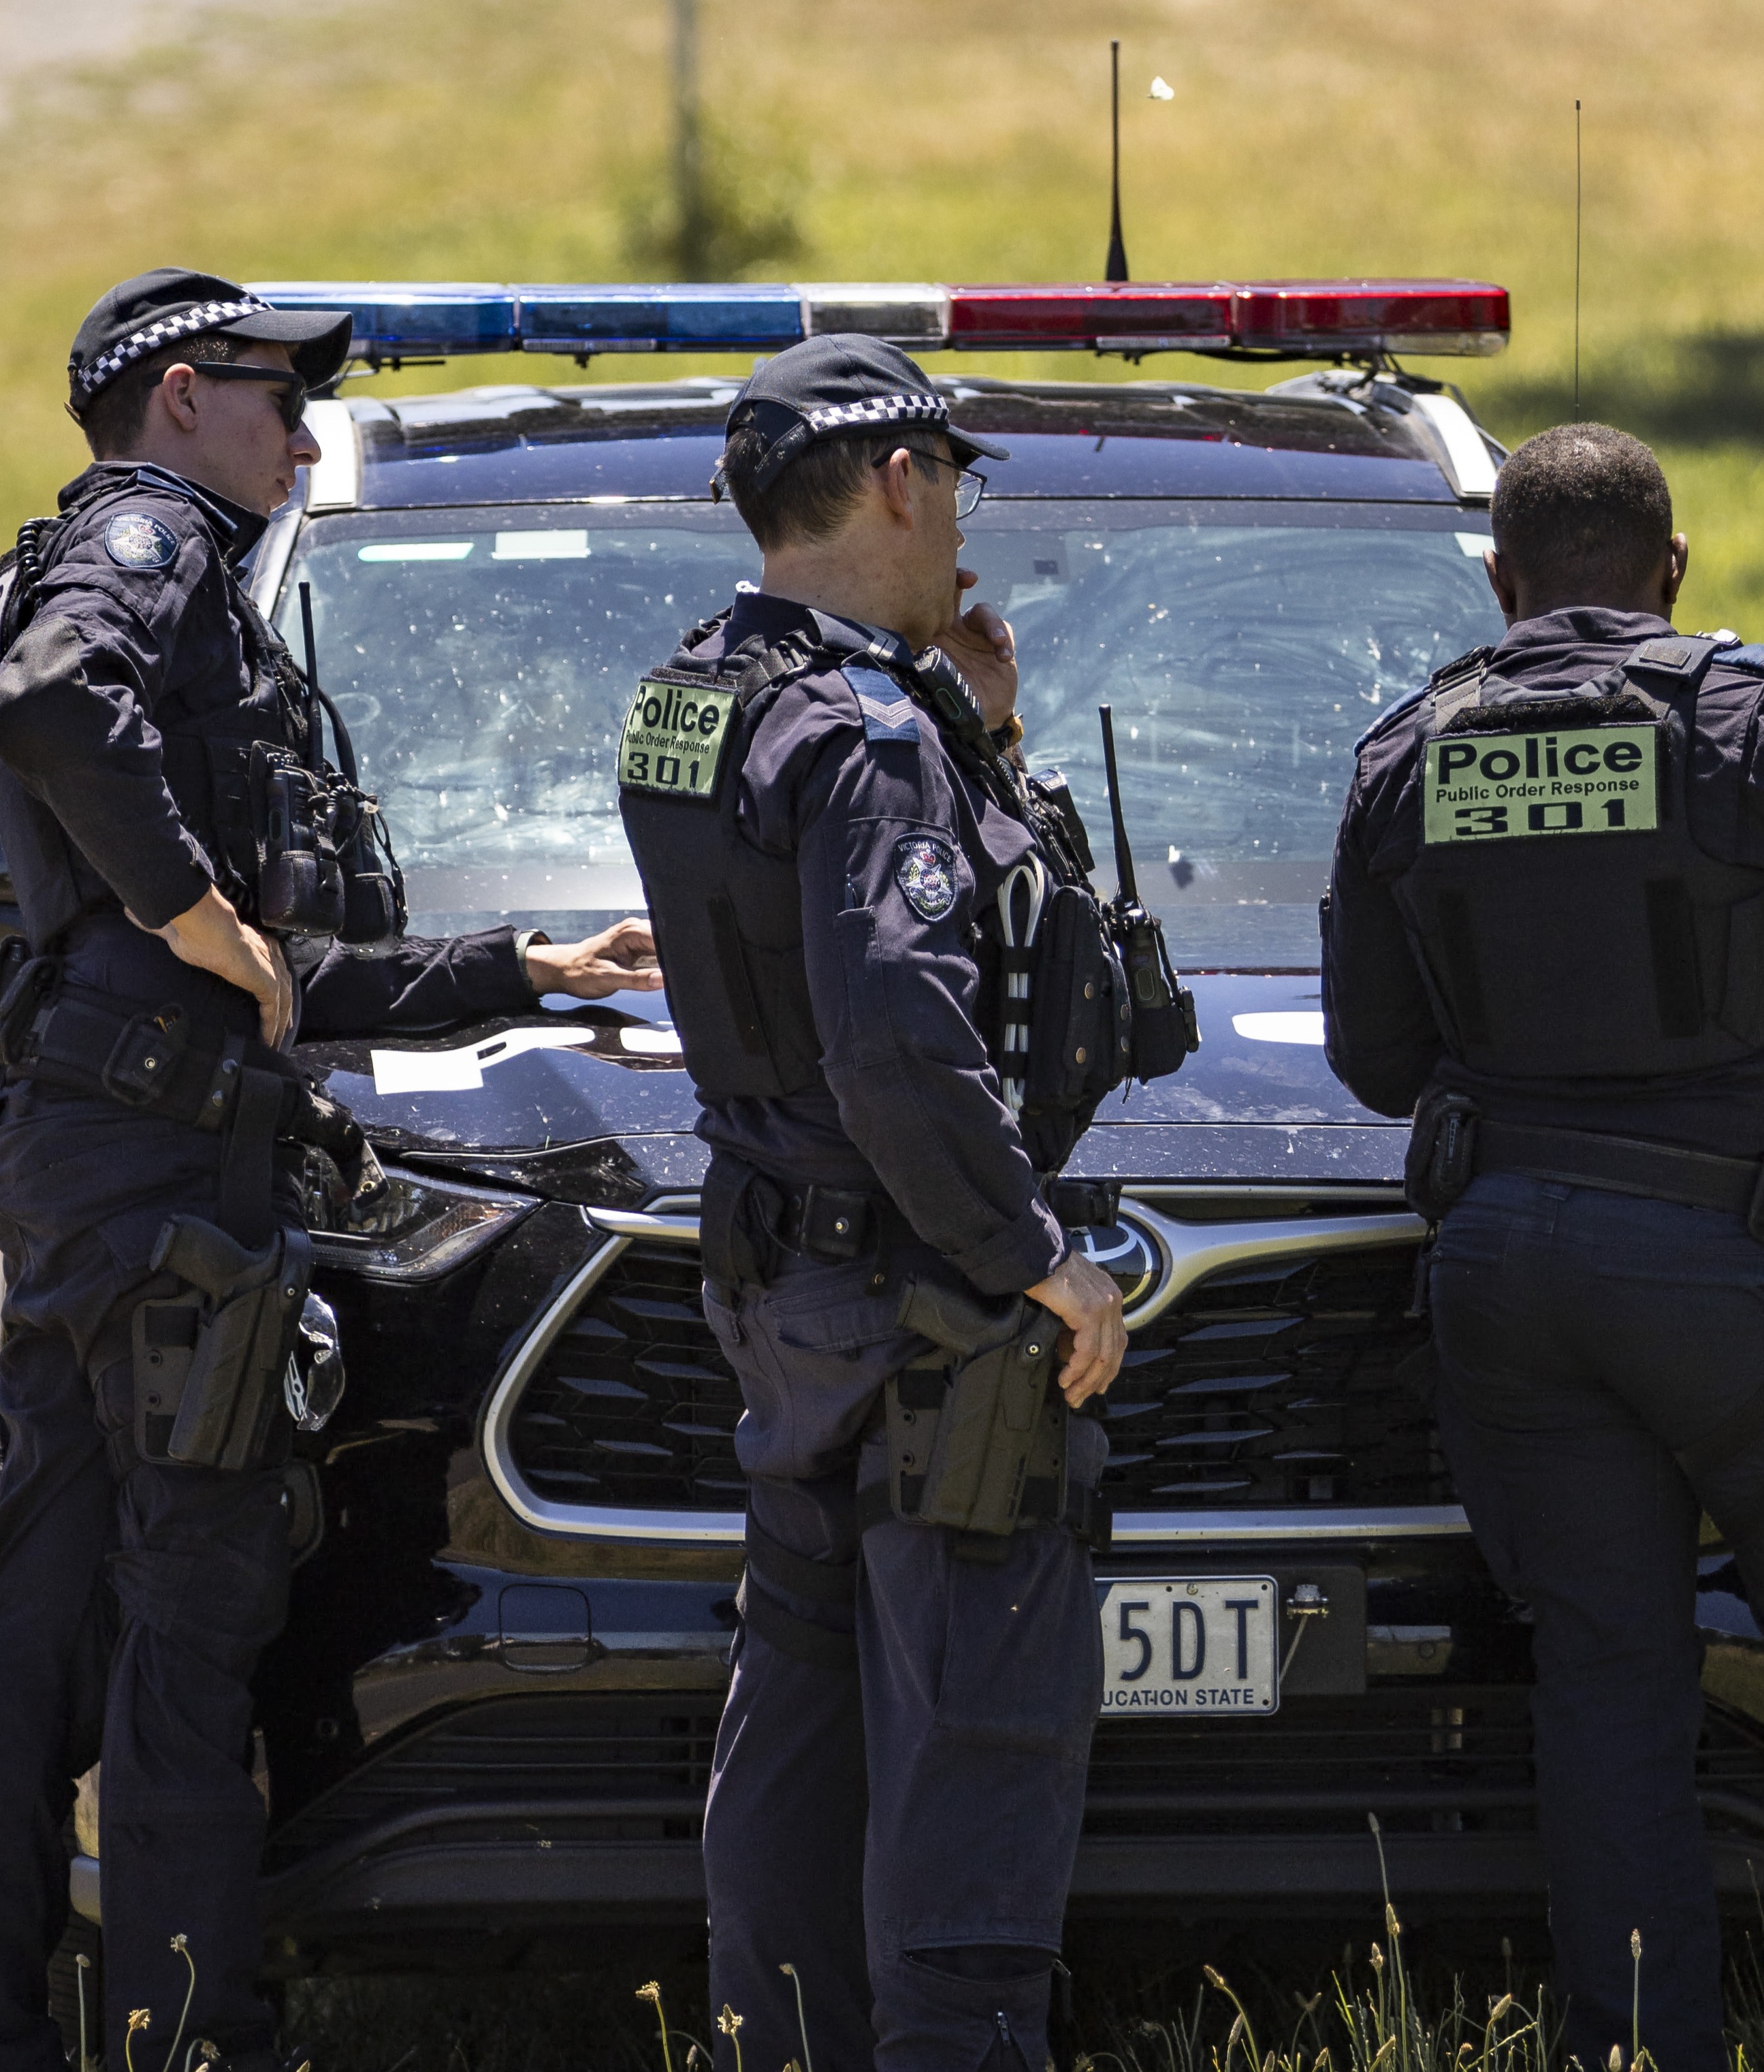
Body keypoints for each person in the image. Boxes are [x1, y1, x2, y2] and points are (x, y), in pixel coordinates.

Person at [0, 267, 659, 2072]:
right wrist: (191, 908)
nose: (301, 429)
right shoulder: (145, 551)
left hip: (111, 1154)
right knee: (188, 1624)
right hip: (166, 1177)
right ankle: (191, 2036)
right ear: (172, 392)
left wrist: (525, 967)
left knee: (46, 1615)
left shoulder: (174, 571)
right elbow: (49, 699)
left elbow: (281, 966)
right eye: (271, 391)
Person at [1321, 423, 1764, 2070]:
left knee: (1605, 1678)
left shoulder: (1409, 751)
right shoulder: (1755, 721)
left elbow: (1374, 1062)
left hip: (1510, 1284)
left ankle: (1631, 2047)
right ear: (1672, 572)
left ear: (1499, 582)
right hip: (1751, 1277)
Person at [615, 334, 1137, 2072]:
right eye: (957, 486)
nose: (966, 531)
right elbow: (903, 1046)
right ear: (897, 478)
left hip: (780, 1282)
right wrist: (1040, 1262)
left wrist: (974, 728)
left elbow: (782, 933)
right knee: (975, 1738)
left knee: (803, 1713)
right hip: (921, 1299)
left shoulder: (700, 694)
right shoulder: (863, 735)